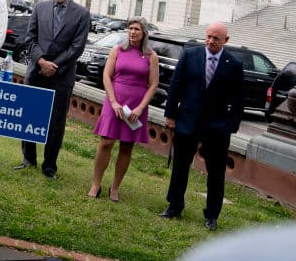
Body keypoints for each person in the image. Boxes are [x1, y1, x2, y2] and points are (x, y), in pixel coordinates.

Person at [159, 22, 244, 231]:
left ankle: (212, 215)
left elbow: (239, 100)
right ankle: (174, 206)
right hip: (187, 122)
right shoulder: (190, 55)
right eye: (208, 36)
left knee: (216, 174)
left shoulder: (233, 64)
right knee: (180, 167)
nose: (210, 41)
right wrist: (170, 116)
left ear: (226, 40)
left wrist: (230, 126)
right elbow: (175, 86)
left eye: (216, 38)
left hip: (217, 128)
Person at [15, 0, 90, 179]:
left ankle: (50, 166)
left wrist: (54, 65)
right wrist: (41, 61)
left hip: (62, 76)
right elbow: (30, 39)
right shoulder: (40, 8)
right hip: (37, 71)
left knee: (56, 123)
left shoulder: (82, 14)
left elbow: (77, 48)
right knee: (29, 116)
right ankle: (28, 158)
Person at [88, 17, 159, 201]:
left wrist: (140, 108)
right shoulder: (117, 50)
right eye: (131, 28)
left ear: (144, 33)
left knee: (126, 146)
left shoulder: (151, 56)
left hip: (136, 107)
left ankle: (115, 188)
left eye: (137, 29)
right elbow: (106, 76)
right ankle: (96, 184)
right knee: (106, 143)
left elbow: (153, 85)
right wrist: (113, 102)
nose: (133, 32)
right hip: (115, 102)